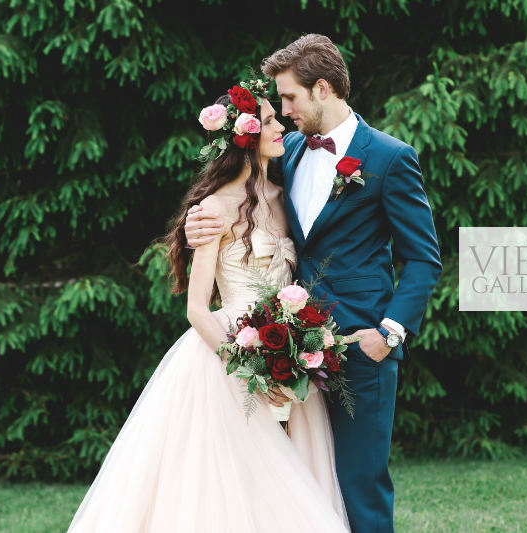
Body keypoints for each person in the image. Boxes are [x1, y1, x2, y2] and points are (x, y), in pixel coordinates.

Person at [67, 80, 351, 532]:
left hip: (284, 347)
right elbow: (197, 308)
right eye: (271, 120)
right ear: (247, 136)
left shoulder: (285, 197)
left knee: (289, 480)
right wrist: (245, 366)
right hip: (227, 357)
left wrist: (287, 352)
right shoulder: (213, 209)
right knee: (230, 481)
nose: (281, 126)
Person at [185, 35, 442, 533]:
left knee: (359, 484)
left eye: (289, 98)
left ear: (322, 88)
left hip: (358, 347)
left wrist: (387, 333)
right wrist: (194, 225)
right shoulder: (292, 150)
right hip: (286, 350)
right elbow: (239, 195)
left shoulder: (390, 158)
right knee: (294, 489)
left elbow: (423, 259)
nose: (283, 111)